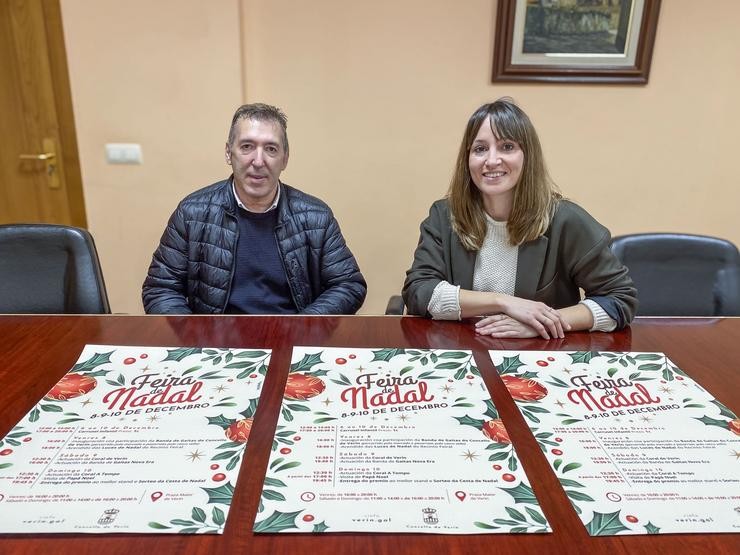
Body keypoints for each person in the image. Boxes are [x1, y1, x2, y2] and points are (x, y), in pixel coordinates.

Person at [403, 98, 637, 339]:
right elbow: (419, 292)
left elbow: (619, 300)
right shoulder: (444, 215)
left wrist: (540, 323)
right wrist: (504, 302)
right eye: (480, 149)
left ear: (528, 156)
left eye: (507, 147)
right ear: (467, 159)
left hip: (541, 357)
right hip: (463, 353)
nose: (491, 160)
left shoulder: (566, 220)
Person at [143, 103, 366, 314]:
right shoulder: (191, 214)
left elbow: (348, 285)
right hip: (216, 345)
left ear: (285, 159)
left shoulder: (317, 217)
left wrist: (304, 326)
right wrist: (196, 336)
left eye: (270, 149)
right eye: (247, 146)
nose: (258, 161)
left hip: (294, 340)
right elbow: (161, 289)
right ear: (228, 153)